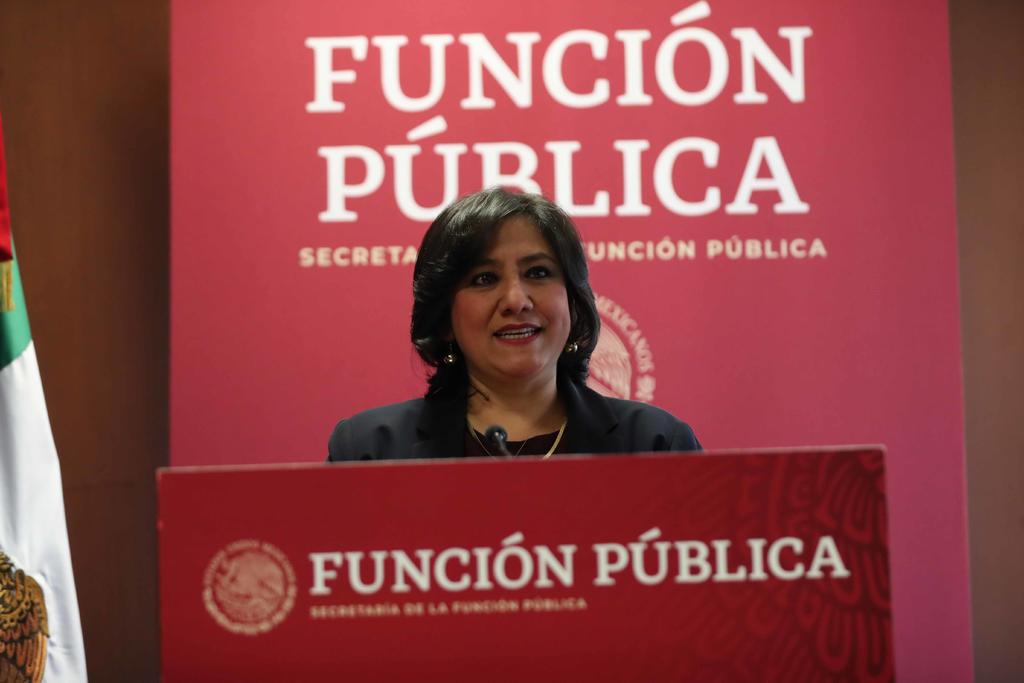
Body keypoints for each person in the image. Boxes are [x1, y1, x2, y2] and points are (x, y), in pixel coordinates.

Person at [327, 188, 700, 461]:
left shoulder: (655, 445)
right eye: (484, 279)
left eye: (538, 273)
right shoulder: (370, 451)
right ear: (444, 319)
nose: (516, 300)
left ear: (572, 301)